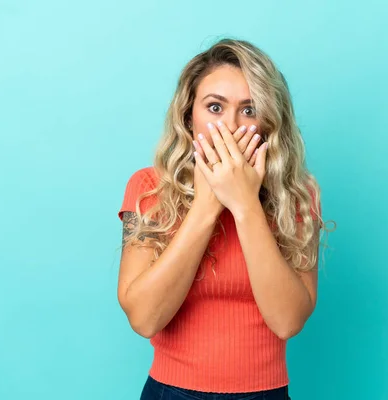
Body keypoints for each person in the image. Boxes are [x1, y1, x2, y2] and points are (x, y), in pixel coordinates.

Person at [117, 38, 335, 400]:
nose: (230, 126)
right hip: (172, 393)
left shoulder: (297, 196)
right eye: (215, 107)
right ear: (189, 116)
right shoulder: (149, 188)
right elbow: (143, 318)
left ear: (268, 123)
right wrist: (207, 204)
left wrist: (245, 203)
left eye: (249, 110)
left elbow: (288, 321)